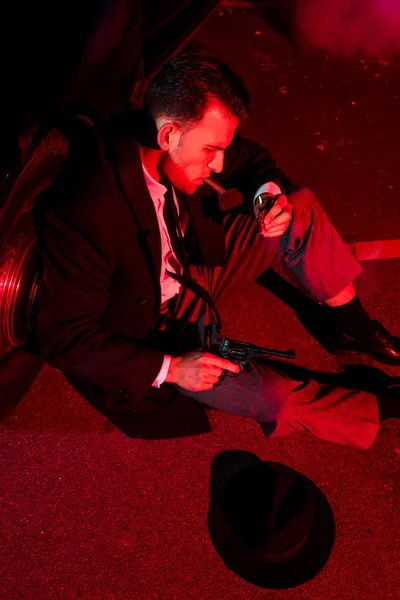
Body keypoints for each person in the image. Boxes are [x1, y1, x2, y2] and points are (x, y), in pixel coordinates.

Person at [32, 52, 400, 448]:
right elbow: (62, 337)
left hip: (189, 269)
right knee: (274, 398)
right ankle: (379, 404)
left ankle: (354, 330)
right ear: (168, 134)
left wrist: (267, 197)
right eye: (210, 150)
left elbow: (251, 158)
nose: (218, 164)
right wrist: (172, 369)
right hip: (150, 331)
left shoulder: (169, 133)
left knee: (299, 210)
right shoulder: (90, 211)